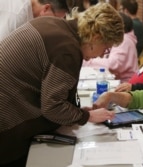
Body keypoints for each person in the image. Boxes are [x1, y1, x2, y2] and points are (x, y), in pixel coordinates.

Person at [0, 3, 123, 166]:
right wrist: (87, 116)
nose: (102, 54)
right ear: (96, 38)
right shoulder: (67, 49)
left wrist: (76, 112)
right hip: (7, 124)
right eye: (106, 48)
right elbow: (52, 107)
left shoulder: (55, 25)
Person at [83, 12, 138, 82]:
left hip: (124, 84)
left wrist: (88, 61)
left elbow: (113, 64)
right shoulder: (127, 38)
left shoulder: (124, 40)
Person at [0, 0, 69, 41]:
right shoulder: (17, 16)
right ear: (46, 8)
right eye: (55, 19)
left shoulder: (30, 11)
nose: (55, 24)